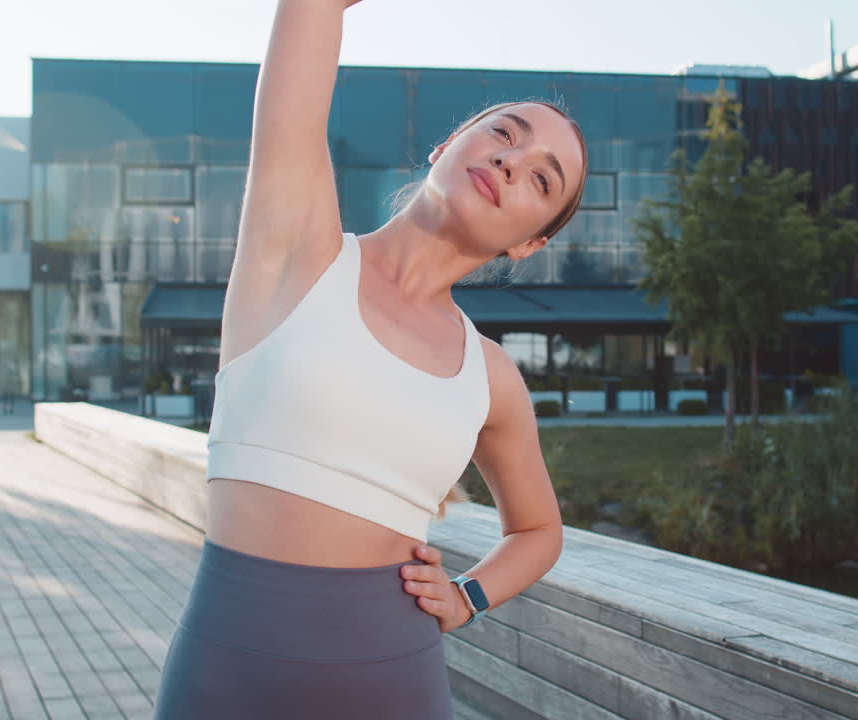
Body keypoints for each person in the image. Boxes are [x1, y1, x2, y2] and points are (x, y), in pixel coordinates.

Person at [153, 0, 587, 716]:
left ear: (529, 244)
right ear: (447, 145)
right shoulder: (298, 250)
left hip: (396, 686)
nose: (513, 161)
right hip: (228, 681)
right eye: (503, 136)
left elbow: (539, 531)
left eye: (543, 180)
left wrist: (467, 597)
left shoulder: (492, 380)